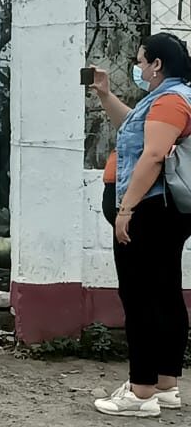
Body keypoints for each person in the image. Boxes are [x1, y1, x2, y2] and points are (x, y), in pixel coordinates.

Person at [88, 33, 191, 418]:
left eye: (141, 60)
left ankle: (140, 391)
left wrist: (127, 209)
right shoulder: (166, 99)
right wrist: (104, 94)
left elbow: (151, 155)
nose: (139, 66)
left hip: (150, 210)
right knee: (163, 293)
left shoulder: (170, 99)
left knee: (141, 297)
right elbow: (134, 126)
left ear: (157, 64)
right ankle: (165, 385)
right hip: (161, 211)